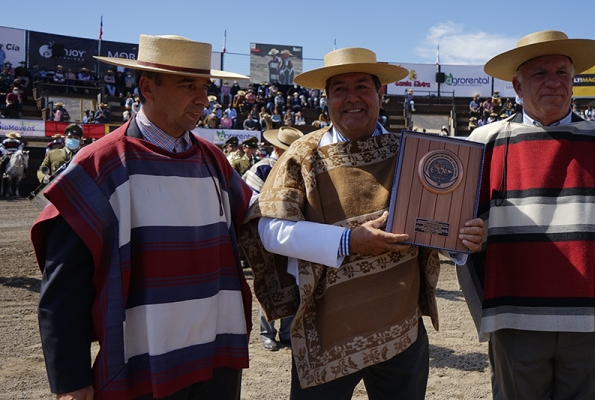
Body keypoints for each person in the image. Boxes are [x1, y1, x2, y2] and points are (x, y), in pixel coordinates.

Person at [242, 47, 484, 399]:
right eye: (339, 89)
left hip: (401, 329)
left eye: (361, 87)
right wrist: (349, 241)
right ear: (326, 98)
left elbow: (439, 223)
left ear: (379, 93)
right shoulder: (301, 155)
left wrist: (464, 237)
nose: (351, 98)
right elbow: (270, 230)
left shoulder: (414, 152)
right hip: (326, 330)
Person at [30, 34, 253, 400]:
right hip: (145, 365)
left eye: (205, 86)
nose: (203, 98)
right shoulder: (99, 166)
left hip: (216, 358)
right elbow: (64, 285)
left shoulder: (214, 160)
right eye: (188, 85)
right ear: (148, 87)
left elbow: (260, 220)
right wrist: (70, 379)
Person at [461, 30, 595, 400]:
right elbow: (453, 227)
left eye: (562, 72)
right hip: (513, 315)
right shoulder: (482, 144)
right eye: (540, 73)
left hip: (591, 317)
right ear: (517, 85)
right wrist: (465, 239)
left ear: (574, 81)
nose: (553, 82)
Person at [241, 126, 304, 352]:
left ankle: (287, 332)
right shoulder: (262, 169)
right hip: (266, 232)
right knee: (270, 281)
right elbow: (249, 199)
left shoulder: (298, 168)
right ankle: (267, 333)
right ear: (278, 148)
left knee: (292, 281)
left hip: (292, 233)